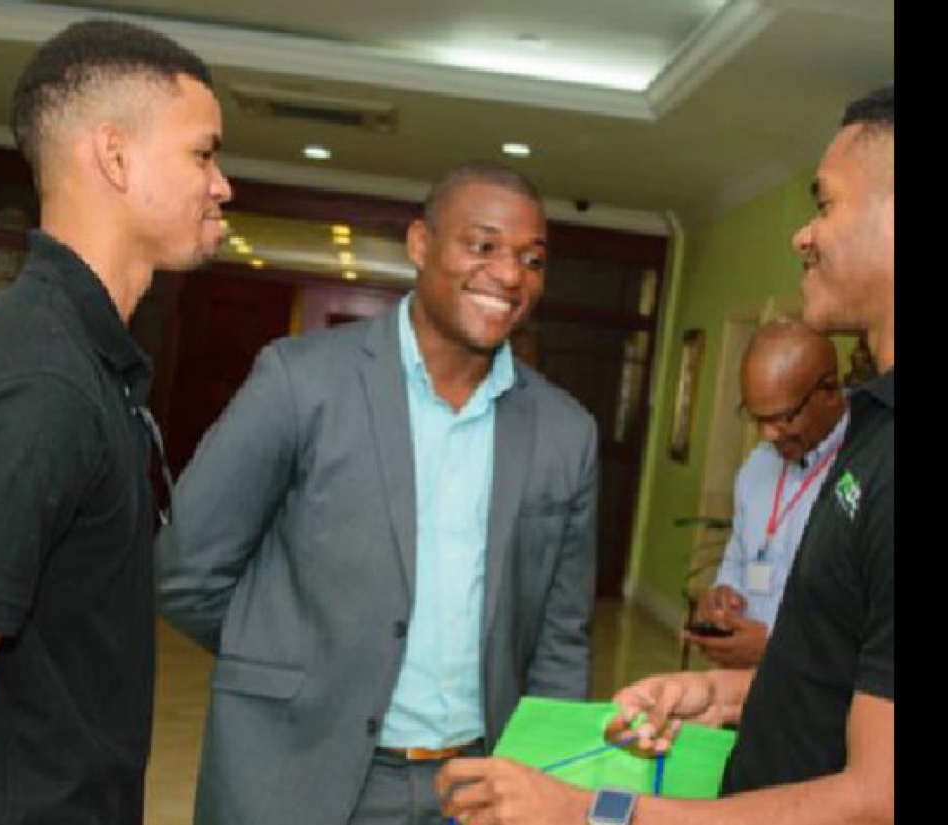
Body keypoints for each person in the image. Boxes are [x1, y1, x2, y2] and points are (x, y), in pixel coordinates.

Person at [436, 82, 892, 825]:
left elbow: (878, 799)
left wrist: (594, 810)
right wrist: (719, 691)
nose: (802, 235)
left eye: (825, 203)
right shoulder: (874, 430)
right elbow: (853, 679)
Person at [157, 160, 600, 825]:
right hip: (302, 768)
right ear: (421, 245)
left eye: (532, 259)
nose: (509, 276)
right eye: (482, 245)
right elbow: (185, 568)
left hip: (478, 785)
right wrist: (294, 660)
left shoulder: (567, 433)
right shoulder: (299, 381)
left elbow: (561, 640)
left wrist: (545, 778)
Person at [0, 19, 231, 824]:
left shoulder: (78, 353)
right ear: (114, 155)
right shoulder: (42, 381)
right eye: (202, 154)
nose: (221, 184)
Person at [684, 317, 849, 669]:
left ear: (829, 391)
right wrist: (723, 597)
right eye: (756, 417)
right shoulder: (757, 467)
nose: (767, 435)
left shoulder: (869, 468)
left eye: (782, 418)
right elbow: (739, 559)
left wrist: (776, 647)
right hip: (744, 695)